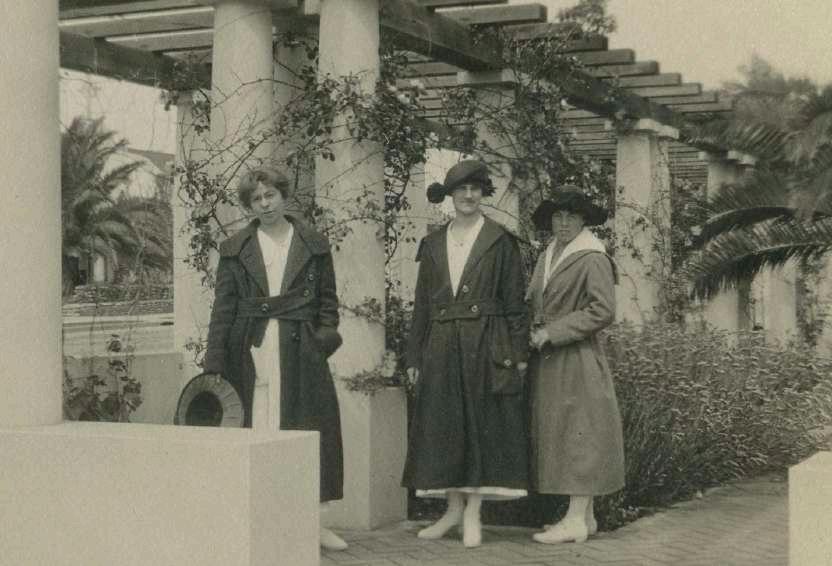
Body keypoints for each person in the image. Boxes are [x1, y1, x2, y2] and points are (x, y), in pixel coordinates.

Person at [202, 167, 348, 551]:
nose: (265, 205)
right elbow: (223, 309)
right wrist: (214, 362)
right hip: (250, 349)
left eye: (271, 196)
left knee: (309, 429)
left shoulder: (313, 245)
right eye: (257, 199)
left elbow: (328, 304)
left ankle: (314, 523)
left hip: (301, 350)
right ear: (249, 206)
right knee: (260, 428)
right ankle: (263, 524)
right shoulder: (235, 249)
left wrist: (321, 342)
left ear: (284, 196)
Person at [402, 160, 530, 548]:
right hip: (441, 344)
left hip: (486, 343)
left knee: (479, 427)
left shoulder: (500, 241)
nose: (469, 196)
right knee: (445, 429)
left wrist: (518, 354)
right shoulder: (433, 243)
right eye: (461, 190)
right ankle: (452, 511)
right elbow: (422, 305)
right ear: (451, 196)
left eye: (475, 189)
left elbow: (515, 305)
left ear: (483, 194)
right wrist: (413, 357)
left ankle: (473, 513)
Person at [526, 188, 625, 544]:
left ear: (584, 219)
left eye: (571, 216)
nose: (564, 222)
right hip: (550, 359)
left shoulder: (593, 256)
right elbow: (534, 299)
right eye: (558, 216)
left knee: (578, 434)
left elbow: (603, 310)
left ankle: (574, 521)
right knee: (564, 433)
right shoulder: (549, 253)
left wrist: (553, 332)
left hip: (577, 357)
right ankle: (585, 517)